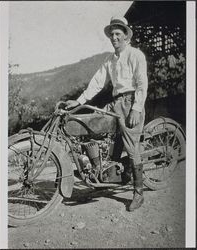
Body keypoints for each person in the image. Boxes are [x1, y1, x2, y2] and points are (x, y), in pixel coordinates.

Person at [65, 16, 148, 211]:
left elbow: (142, 83)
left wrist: (136, 108)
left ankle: (138, 193)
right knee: (93, 129)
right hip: (116, 103)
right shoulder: (110, 60)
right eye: (112, 34)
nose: (114, 37)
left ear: (126, 36)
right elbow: (97, 82)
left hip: (131, 102)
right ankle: (106, 173)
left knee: (131, 147)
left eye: (118, 34)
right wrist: (79, 101)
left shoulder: (135, 55)